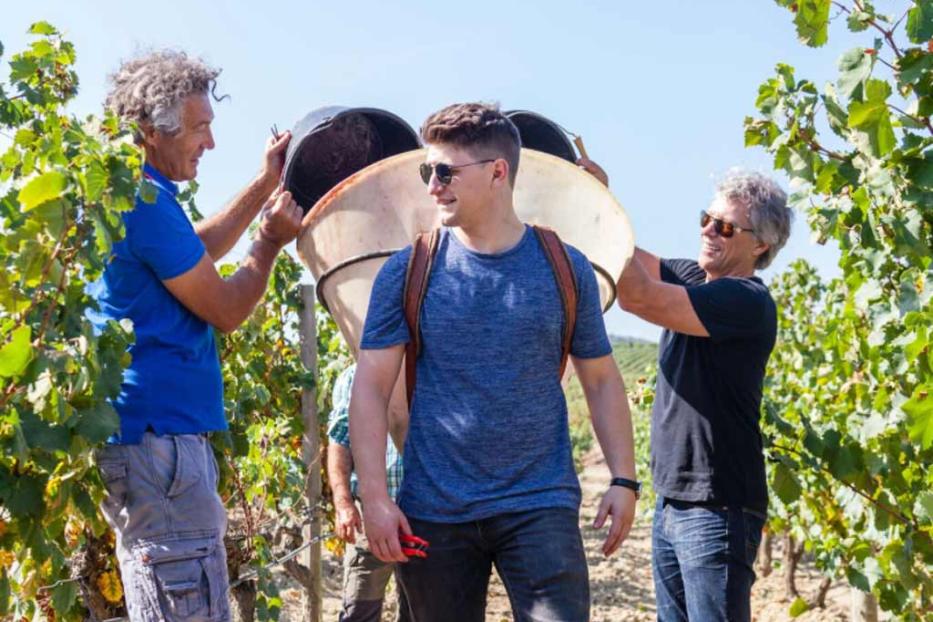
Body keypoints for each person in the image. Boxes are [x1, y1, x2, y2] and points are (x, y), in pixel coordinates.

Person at [349, 102, 639, 621]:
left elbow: (600, 380)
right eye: (426, 172)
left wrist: (623, 477)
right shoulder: (409, 269)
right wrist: (374, 496)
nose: (431, 185)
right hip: (434, 511)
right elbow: (370, 387)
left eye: (444, 171)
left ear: (498, 172)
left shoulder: (564, 267)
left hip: (539, 504)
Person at [89, 50, 302, 621]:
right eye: (200, 127)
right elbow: (228, 307)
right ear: (151, 131)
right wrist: (269, 244)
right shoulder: (145, 198)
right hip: (161, 446)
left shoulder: (132, 192)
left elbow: (195, 252)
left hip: (147, 441)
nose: (209, 142)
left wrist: (264, 184)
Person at [608, 167, 793, 622]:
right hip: (672, 502)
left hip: (717, 509)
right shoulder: (694, 276)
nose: (709, 230)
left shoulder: (745, 301)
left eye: (725, 226)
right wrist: (596, 196)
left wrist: (593, 210)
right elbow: (620, 256)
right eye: (706, 219)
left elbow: (638, 297)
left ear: (760, 245)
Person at [327, 364, 409, 622]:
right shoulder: (354, 375)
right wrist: (343, 503)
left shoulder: (429, 368)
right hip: (371, 521)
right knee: (358, 613)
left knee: (424, 611)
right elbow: (340, 441)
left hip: (425, 516)